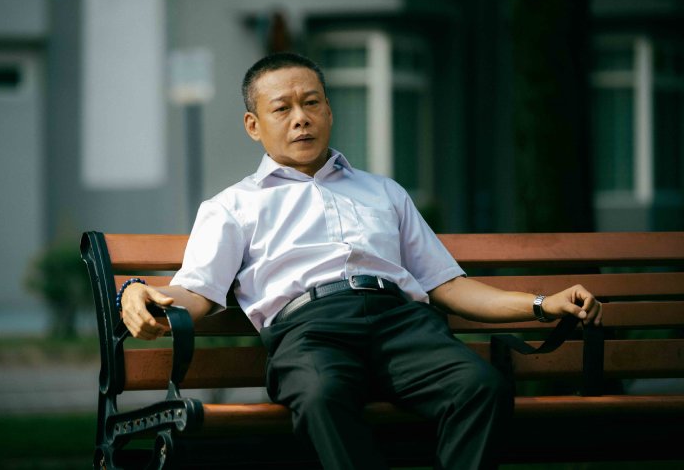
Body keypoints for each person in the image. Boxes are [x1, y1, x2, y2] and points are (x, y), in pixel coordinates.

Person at [119, 52, 603, 469]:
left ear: (329, 111)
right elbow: (198, 292)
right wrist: (139, 292)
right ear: (254, 125)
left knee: (481, 387)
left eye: (311, 103)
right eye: (282, 108)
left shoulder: (382, 191)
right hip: (310, 332)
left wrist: (541, 305)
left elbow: (448, 285)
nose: (301, 118)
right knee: (321, 395)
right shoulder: (233, 206)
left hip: (403, 325)